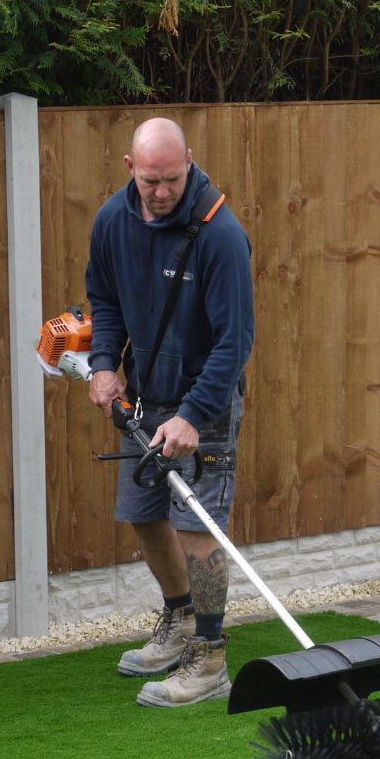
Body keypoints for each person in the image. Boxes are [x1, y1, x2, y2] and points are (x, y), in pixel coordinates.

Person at [85, 117, 255, 709]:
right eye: (151, 180)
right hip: (144, 396)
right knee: (142, 512)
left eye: (173, 180)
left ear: (191, 163)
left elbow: (236, 341)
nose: (161, 193)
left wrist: (193, 414)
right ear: (131, 169)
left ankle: (210, 658)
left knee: (198, 529)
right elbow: (102, 299)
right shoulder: (113, 221)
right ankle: (180, 618)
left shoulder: (221, 236)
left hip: (203, 400)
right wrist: (104, 364)